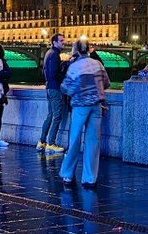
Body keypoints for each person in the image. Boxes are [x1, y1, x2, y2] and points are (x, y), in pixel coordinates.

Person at [58, 39, 110, 186]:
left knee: (74, 140)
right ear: (88, 49)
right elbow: (106, 83)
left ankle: (68, 174)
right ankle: (89, 178)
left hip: (80, 106)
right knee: (93, 142)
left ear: (76, 50)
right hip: (96, 106)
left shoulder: (75, 67)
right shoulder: (98, 64)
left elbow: (66, 88)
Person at [38, 33, 67, 154]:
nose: (63, 42)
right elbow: (54, 73)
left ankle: (42, 142)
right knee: (57, 116)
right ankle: (51, 143)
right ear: (54, 42)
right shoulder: (55, 55)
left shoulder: (48, 53)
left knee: (50, 115)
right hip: (55, 88)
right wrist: (65, 68)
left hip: (49, 87)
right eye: (61, 41)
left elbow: (46, 72)